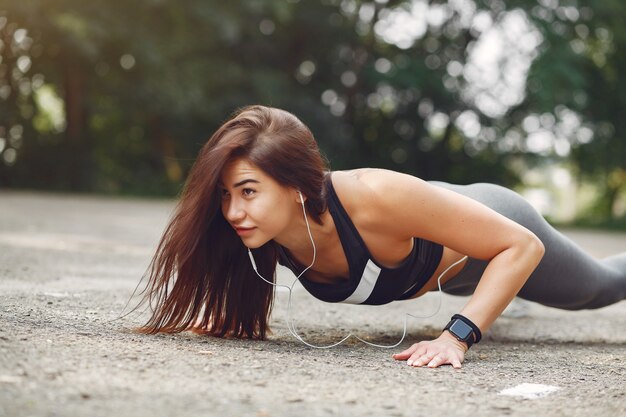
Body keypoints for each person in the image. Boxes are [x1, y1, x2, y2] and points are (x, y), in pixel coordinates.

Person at [134, 105, 626, 369]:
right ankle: (502, 301)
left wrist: (457, 337)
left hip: (496, 229)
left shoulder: (376, 196)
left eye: (247, 191)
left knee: (598, 289)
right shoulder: (258, 231)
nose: (233, 211)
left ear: (296, 188)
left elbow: (522, 246)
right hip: (450, 275)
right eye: (224, 193)